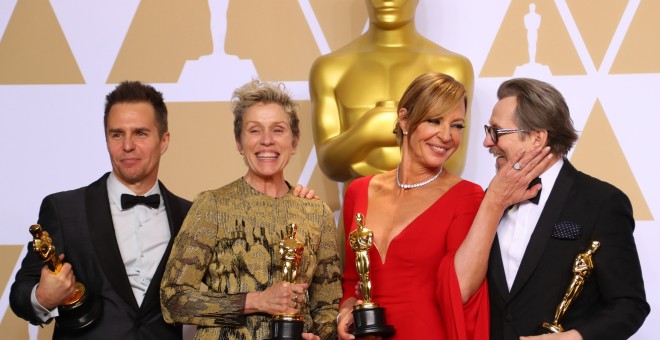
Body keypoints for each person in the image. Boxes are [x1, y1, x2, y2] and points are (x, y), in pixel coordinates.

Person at [337, 72, 553, 340]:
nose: (446, 135)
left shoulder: (466, 196)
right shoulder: (358, 191)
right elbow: (350, 281)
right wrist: (345, 311)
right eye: (434, 120)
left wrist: (494, 202)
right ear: (404, 119)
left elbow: (464, 288)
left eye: (457, 125)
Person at [160, 79, 342, 340]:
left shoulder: (317, 213)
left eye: (278, 130)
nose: (266, 141)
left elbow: (328, 306)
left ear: (295, 141)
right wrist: (257, 301)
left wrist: (320, 337)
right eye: (255, 130)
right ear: (239, 142)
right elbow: (172, 300)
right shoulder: (213, 205)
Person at [9, 81, 192, 339]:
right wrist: (42, 297)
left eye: (140, 133)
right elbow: (20, 294)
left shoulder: (191, 216)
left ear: (164, 141)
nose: (127, 145)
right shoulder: (64, 209)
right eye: (117, 134)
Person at [310, 0, 475, 265]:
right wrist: (367, 131)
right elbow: (331, 165)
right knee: (354, 296)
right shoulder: (330, 68)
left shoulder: (453, 66)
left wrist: (365, 147)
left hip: (428, 223)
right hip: (359, 223)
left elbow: (451, 160)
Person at [484, 78, 650, 339]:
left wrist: (574, 337)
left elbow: (630, 304)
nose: (487, 142)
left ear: (537, 138)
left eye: (496, 131)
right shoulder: (489, 201)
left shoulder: (601, 202)